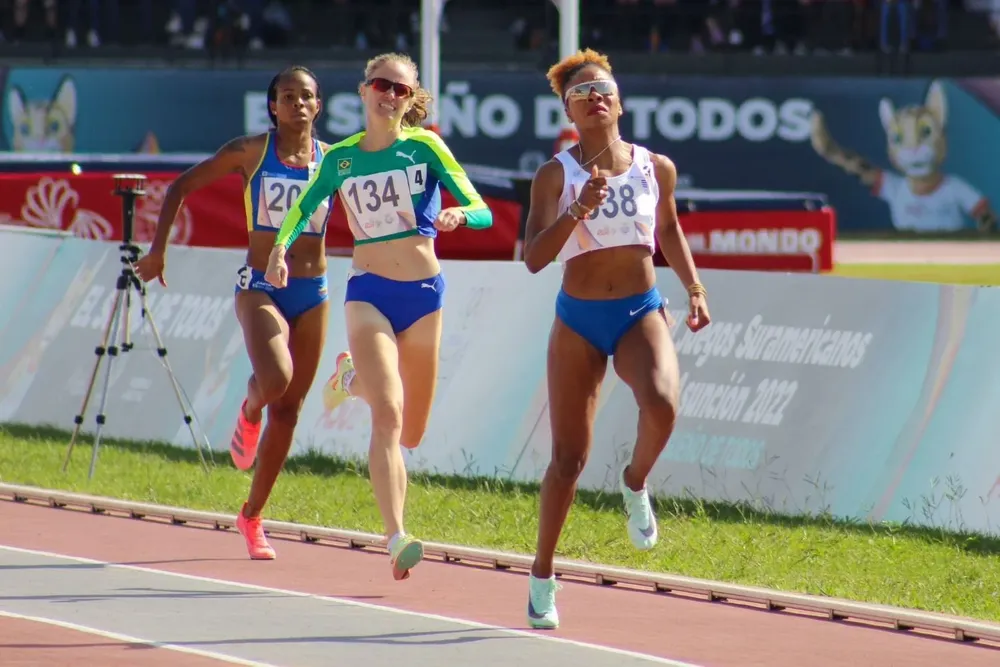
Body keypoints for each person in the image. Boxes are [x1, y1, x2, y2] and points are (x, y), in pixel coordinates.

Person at [266, 52, 493, 581]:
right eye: (382, 86)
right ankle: (396, 537)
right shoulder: (341, 159)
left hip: (424, 297)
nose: (390, 96)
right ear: (364, 91)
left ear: (411, 100)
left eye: (401, 90)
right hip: (368, 293)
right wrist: (280, 249)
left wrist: (461, 214)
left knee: (411, 431)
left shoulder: (427, 146)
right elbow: (302, 209)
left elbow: (480, 208)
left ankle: (351, 378)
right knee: (388, 415)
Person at [520, 48, 711, 629]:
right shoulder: (556, 174)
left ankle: (635, 483)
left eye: (603, 88)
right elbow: (533, 259)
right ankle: (543, 576)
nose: (595, 96)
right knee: (568, 459)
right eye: (581, 94)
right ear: (570, 114)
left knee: (663, 402)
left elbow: (670, 228)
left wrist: (694, 287)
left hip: (639, 310)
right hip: (578, 318)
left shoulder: (657, 167)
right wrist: (576, 210)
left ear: (620, 101)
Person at [135, 66, 333, 561]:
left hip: (314, 290)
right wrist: (159, 251)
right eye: (288, 96)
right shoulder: (252, 151)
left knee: (289, 411)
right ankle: (248, 410)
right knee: (275, 380)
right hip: (260, 284)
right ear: (273, 106)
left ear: (319, 105)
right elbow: (181, 185)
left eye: (306, 96)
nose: (298, 104)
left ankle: (252, 516)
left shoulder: (334, 160)